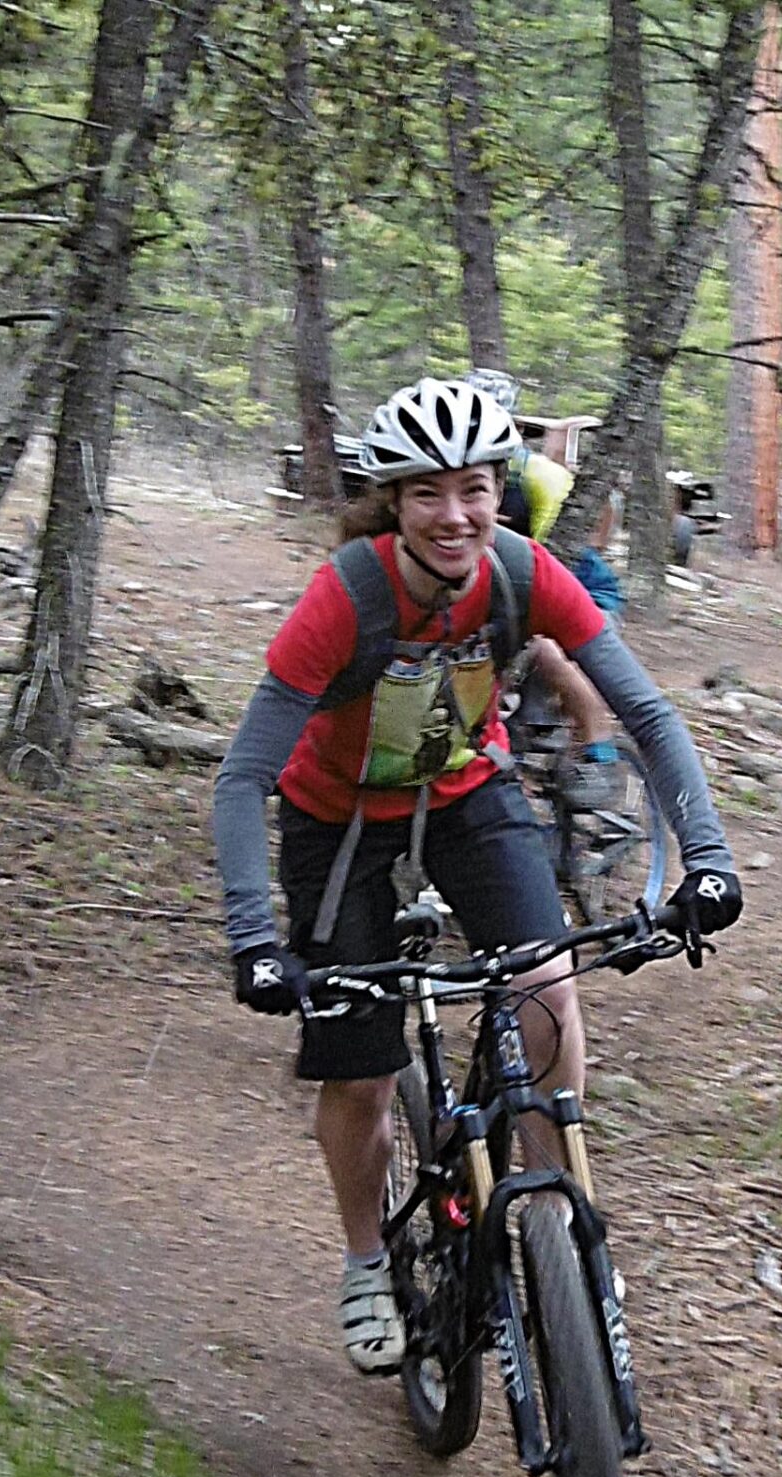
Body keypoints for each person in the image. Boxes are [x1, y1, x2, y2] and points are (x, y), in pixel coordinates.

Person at [213, 374, 740, 1374]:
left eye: (474, 489)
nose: (454, 515)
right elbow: (242, 778)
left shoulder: (524, 573)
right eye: (427, 493)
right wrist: (253, 937)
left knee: (547, 990)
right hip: (339, 823)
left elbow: (650, 717)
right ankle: (368, 1259)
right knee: (361, 1070)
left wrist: (707, 857)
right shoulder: (345, 600)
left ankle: (561, 1234)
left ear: (500, 491)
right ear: (391, 502)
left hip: (467, 797)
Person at [464, 368, 625, 810]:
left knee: (543, 646)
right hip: (513, 586)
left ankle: (599, 744)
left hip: (583, 591)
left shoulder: (537, 477)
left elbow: (550, 566)